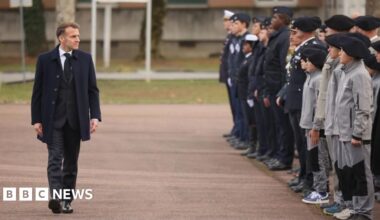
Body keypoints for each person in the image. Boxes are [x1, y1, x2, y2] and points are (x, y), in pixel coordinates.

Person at [31, 22, 101, 214]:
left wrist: (94, 116)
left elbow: (92, 90)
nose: (77, 39)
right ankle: (55, 197)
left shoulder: (86, 59)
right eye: (73, 36)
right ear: (61, 38)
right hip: (52, 119)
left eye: (78, 36)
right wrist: (36, 119)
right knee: (55, 158)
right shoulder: (45, 60)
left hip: (76, 120)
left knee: (70, 162)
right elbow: (37, 92)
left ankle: (67, 200)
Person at [276, 16, 325, 192]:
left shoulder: (315, 47)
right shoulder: (302, 47)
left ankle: (310, 179)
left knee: (307, 145)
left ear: (306, 32)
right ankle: (304, 175)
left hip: (305, 102)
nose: (291, 36)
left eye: (295, 32)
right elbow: (292, 76)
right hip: (295, 100)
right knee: (300, 142)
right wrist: (283, 93)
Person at [333, 35, 374, 220]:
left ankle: (364, 212)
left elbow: (363, 108)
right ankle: (355, 208)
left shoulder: (359, 74)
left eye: (342, 50)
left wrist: (357, 133)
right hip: (344, 133)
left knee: (361, 173)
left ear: (351, 53)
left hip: (356, 135)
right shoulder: (345, 72)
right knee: (350, 172)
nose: (339, 53)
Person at [261, 6, 294, 171]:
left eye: (276, 17)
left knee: (283, 126)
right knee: (278, 124)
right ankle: (280, 155)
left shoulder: (285, 37)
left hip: (279, 88)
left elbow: (283, 67)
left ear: (284, 19)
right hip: (272, 87)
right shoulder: (276, 36)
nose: (272, 20)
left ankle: (285, 158)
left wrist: (282, 91)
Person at [298, 47, 329, 204]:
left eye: (309, 61)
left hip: (315, 127)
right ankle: (318, 188)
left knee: (318, 159)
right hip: (307, 125)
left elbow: (319, 106)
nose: (306, 63)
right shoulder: (310, 76)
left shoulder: (319, 79)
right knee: (313, 158)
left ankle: (322, 190)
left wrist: (316, 126)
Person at [219, 10, 235, 139]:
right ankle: (237, 129)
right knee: (234, 106)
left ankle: (240, 131)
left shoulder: (234, 37)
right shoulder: (230, 37)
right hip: (229, 75)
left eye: (226, 20)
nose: (225, 23)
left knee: (237, 106)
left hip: (233, 76)